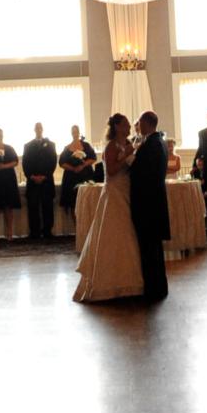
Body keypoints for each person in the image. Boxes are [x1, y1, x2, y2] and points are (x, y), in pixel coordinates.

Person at [74, 114, 144, 302]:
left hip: (126, 189)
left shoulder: (127, 143)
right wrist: (127, 155)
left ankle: (129, 280)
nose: (129, 128)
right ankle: (107, 282)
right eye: (126, 125)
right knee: (114, 230)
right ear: (117, 127)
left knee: (128, 231)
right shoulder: (111, 147)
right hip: (114, 192)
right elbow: (111, 171)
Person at [130, 111, 171, 303]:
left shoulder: (152, 145)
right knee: (153, 248)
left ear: (146, 123)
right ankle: (158, 286)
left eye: (139, 123)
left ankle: (153, 289)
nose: (138, 126)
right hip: (154, 201)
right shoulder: (159, 141)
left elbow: (143, 173)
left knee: (149, 248)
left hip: (148, 203)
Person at [23, 121, 58, 240]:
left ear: (42, 129)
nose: (38, 129)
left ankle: (47, 231)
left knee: (47, 207)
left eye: (40, 128)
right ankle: (34, 232)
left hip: (46, 181)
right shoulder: (27, 146)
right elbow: (25, 163)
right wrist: (32, 176)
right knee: (33, 207)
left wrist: (44, 176)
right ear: (34, 130)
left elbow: (53, 162)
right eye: (36, 128)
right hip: (32, 182)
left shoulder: (51, 145)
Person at [58, 126, 97, 215]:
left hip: (85, 177)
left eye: (76, 131)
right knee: (73, 204)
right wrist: (73, 168)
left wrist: (83, 165)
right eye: (73, 132)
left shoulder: (86, 146)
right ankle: (76, 223)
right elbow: (61, 163)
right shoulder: (67, 148)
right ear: (71, 133)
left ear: (79, 132)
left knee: (87, 203)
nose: (75, 133)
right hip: (71, 179)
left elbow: (93, 158)